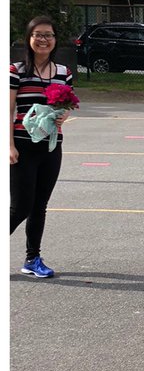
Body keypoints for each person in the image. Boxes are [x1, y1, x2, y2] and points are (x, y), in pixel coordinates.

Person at [10, 16, 74, 278]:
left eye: (48, 35)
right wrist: (8, 145)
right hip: (22, 145)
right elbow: (8, 108)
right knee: (21, 206)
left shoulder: (63, 73)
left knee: (40, 205)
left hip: (50, 146)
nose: (43, 39)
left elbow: (67, 105)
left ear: (55, 40)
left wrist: (64, 116)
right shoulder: (15, 71)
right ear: (29, 38)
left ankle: (32, 259)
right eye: (38, 34)